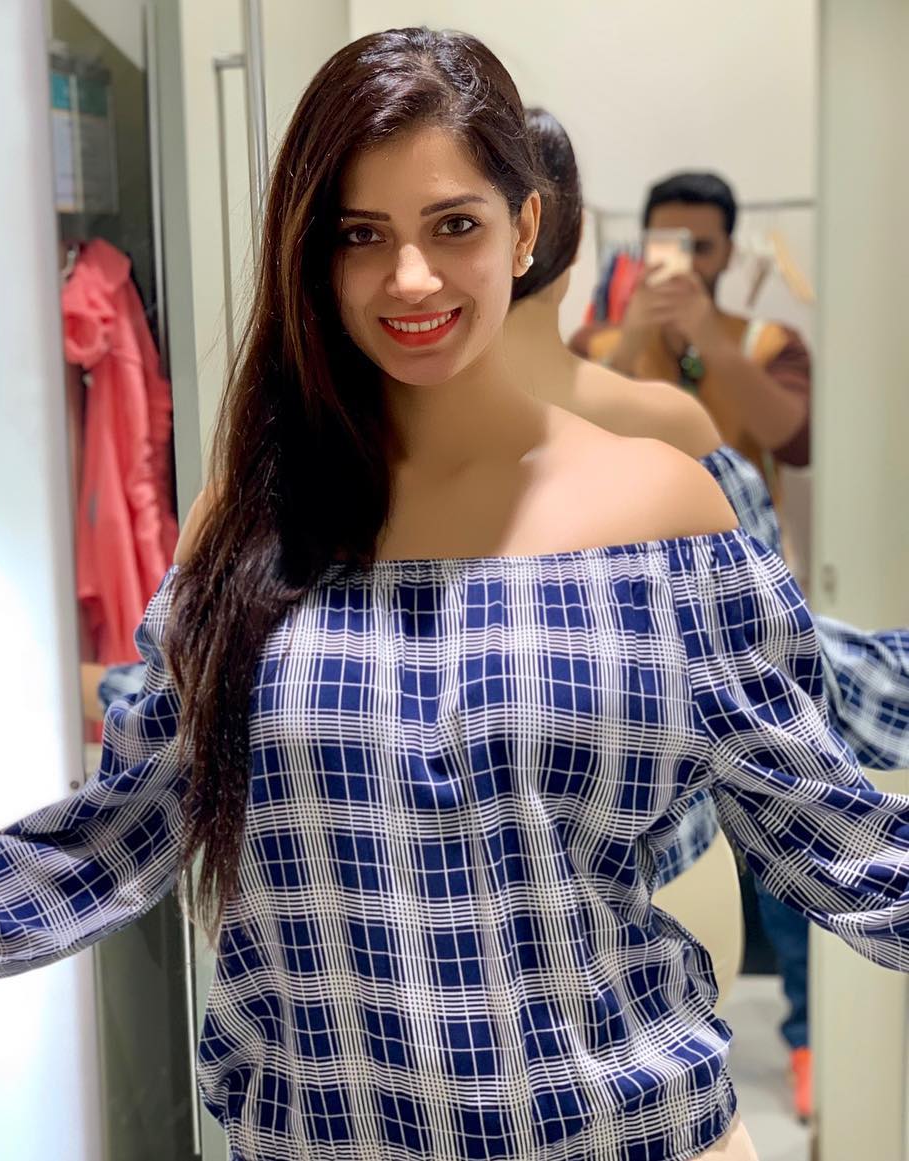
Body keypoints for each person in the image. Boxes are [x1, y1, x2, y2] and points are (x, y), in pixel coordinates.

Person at [0, 28, 909, 1161]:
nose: (410, 278)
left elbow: (838, 841)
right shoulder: (250, 530)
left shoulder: (660, 512)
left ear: (525, 229)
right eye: (362, 235)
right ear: (314, 255)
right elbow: (114, 842)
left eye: (455, 226)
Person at [512, 108, 909, 1123]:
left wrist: (704, 345)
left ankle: (807, 1038)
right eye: (665, 240)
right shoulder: (606, 348)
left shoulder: (763, 341)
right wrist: (643, 336)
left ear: (732, 251)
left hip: (732, 625)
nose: (680, 259)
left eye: (700, 244)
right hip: (606, 742)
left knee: (790, 849)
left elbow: (795, 433)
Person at [569, 171, 811, 513]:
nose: (688, 264)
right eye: (670, 246)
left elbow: (798, 447)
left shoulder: (772, 343)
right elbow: (569, 445)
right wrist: (628, 347)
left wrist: (714, 344)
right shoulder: (595, 342)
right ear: (645, 248)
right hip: (635, 537)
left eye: (702, 248)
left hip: (744, 536)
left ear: (728, 253)